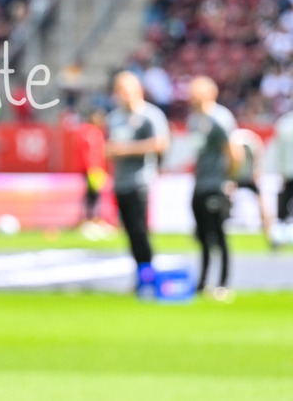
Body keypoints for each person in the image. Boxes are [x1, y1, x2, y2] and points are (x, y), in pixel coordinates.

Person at [105, 71, 170, 295]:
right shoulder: (114, 117)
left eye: (128, 90)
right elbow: (110, 148)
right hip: (120, 182)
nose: (125, 96)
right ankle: (140, 276)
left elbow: (161, 143)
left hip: (140, 180)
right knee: (131, 232)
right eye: (121, 91)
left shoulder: (150, 115)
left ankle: (148, 277)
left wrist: (128, 149)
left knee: (140, 231)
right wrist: (113, 152)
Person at [186, 76, 241, 301]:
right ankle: (203, 282)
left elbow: (234, 154)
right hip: (199, 184)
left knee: (219, 235)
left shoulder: (220, 118)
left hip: (215, 185)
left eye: (195, 92)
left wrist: (228, 180)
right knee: (202, 236)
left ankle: (223, 283)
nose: (191, 96)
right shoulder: (194, 120)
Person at [230, 128, 274, 248]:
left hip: (249, 176)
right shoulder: (234, 141)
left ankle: (270, 235)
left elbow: (258, 156)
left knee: (263, 204)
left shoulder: (247, 142)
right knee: (222, 200)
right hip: (237, 176)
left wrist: (257, 172)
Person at [74, 105, 109, 238]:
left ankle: (93, 219)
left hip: (96, 168)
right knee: (92, 195)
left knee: (94, 195)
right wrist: (90, 168)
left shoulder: (96, 132)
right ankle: (89, 220)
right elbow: (87, 153)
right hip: (92, 169)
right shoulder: (88, 132)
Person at [274, 109, 293, 244]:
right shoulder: (284, 123)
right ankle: (281, 233)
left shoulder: (284, 123)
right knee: (285, 201)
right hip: (288, 171)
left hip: (286, 170)